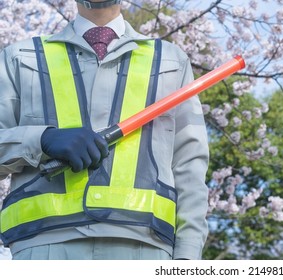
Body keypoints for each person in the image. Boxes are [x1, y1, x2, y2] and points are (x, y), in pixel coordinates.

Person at [0, 0, 209, 260]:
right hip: (43, 248)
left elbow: (189, 164)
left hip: (146, 250)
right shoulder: (19, 57)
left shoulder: (170, 60)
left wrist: (188, 256)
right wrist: (41, 139)